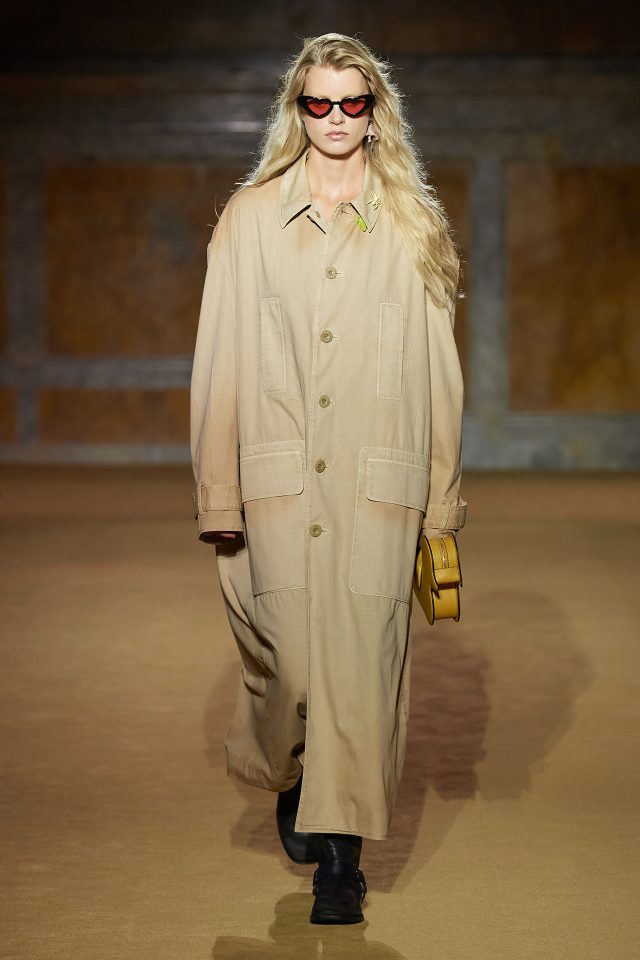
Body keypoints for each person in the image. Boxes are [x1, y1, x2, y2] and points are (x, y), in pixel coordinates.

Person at [190, 32, 467, 925]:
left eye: (353, 102)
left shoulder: (414, 226)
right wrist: (217, 493)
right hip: (275, 482)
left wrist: (440, 503)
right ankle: (290, 771)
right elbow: (218, 361)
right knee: (289, 671)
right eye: (319, 102)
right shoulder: (249, 220)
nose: (337, 117)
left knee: (359, 675)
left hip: (376, 488)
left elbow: (440, 374)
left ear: (376, 113)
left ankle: (341, 865)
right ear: (298, 111)